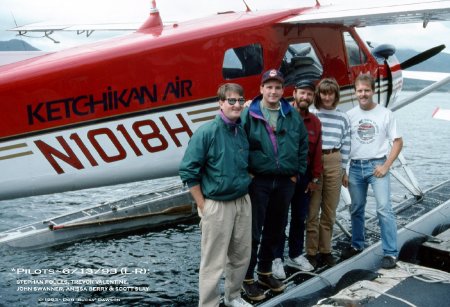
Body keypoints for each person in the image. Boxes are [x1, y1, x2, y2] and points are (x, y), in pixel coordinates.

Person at [179, 83, 253, 307]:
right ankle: (209, 304)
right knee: (213, 263)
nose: (236, 105)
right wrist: (203, 205)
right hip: (217, 205)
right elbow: (188, 171)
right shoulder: (206, 132)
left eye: (240, 101)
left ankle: (233, 297)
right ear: (220, 103)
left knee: (241, 256)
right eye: (231, 100)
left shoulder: (241, 130)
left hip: (242, 201)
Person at [240, 69, 308, 301]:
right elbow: (239, 142)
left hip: (285, 181)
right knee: (253, 231)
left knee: (276, 230)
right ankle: (246, 278)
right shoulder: (249, 113)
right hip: (259, 181)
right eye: (268, 86)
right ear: (261, 89)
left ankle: (265, 271)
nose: (273, 91)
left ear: (283, 90)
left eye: (277, 87)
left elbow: (302, 145)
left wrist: (296, 173)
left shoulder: (292, 114)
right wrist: (248, 171)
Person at [342, 73, 403, 270]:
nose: (363, 94)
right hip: (356, 168)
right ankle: (357, 244)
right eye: (359, 90)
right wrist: (344, 169)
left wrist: (386, 166)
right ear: (355, 92)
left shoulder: (385, 114)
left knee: (384, 209)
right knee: (357, 207)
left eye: (366, 90)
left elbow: (398, 142)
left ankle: (390, 253)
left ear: (373, 91)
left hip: (377, 165)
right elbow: (344, 145)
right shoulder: (349, 115)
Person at [272, 79, 323, 279]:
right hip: (284, 177)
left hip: (304, 177)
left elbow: (317, 152)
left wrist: (315, 178)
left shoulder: (315, 122)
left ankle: (294, 254)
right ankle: (276, 258)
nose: (306, 97)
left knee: (299, 218)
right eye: (302, 93)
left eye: (310, 94)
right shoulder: (282, 116)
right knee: (279, 219)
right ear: (294, 93)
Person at [305, 78, 351, 268]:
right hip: (315, 160)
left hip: (334, 159)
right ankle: (310, 252)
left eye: (331, 93)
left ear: (336, 95)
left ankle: (326, 250)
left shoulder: (343, 117)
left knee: (329, 210)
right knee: (313, 210)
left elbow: (347, 144)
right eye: (323, 93)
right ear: (318, 94)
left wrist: (344, 170)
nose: (327, 97)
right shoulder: (312, 113)